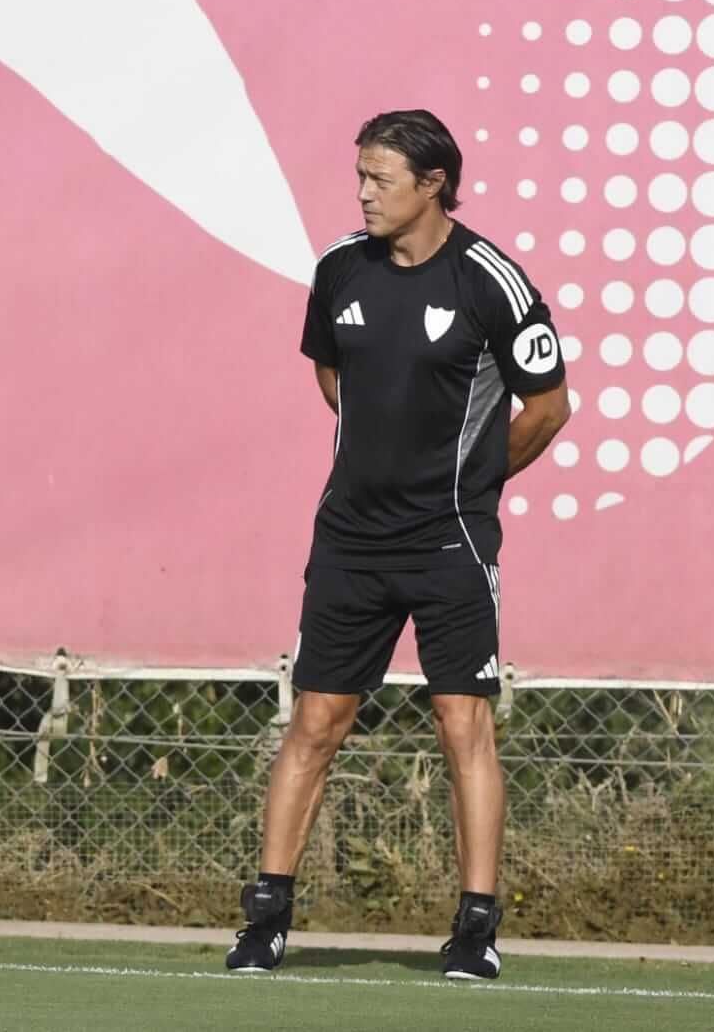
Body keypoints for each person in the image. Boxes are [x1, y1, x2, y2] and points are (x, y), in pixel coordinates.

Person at [225, 109, 571, 980]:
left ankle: (475, 929)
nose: (363, 192)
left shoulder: (492, 280)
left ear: (434, 186)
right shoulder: (341, 267)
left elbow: (549, 406)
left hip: (451, 543)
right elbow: (332, 372)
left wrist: (471, 485)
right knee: (315, 721)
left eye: (380, 178)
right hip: (348, 540)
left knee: (464, 725)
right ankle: (264, 922)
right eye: (361, 175)